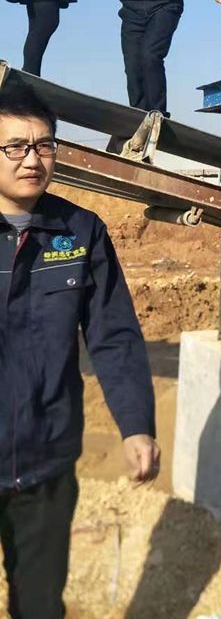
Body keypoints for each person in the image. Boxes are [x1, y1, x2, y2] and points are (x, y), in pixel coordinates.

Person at [0, 81, 159, 618]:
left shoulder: (78, 231)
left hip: (45, 460)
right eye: (15, 146)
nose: (32, 159)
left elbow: (112, 333)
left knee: (41, 607)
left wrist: (136, 423)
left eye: (44, 145)